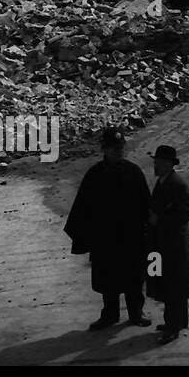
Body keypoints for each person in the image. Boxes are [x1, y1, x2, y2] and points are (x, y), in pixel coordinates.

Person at [65, 128, 151, 331]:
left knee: (134, 278)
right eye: (114, 147)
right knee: (108, 279)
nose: (118, 151)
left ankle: (136, 313)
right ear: (104, 149)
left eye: (121, 147)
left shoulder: (133, 171)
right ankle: (110, 315)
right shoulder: (95, 175)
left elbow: (145, 202)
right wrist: (85, 237)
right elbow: (83, 206)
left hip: (131, 236)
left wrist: (149, 231)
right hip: (106, 238)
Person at [146, 145, 189, 344]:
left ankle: (172, 327)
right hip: (166, 243)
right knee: (171, 284)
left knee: (173, 286)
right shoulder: (165, 181)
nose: (155, 165)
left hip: (173, 245)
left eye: (158, 162)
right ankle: (177, 322)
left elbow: (185, 214)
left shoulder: (176, 184)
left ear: (167, 164)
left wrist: (160, 220)